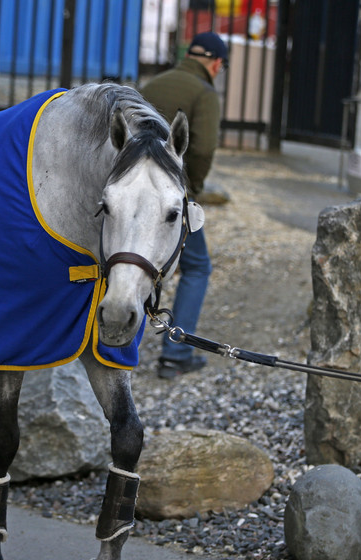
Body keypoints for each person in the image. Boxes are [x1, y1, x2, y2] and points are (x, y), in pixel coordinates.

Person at [139, 31, 228, 379]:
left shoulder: (154, 82)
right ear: (216, 63)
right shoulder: (204, 92)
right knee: (198, 267)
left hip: (132, 191)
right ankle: (176, 355)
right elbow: (203, 149)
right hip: (169, 195)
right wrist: (195, 190)